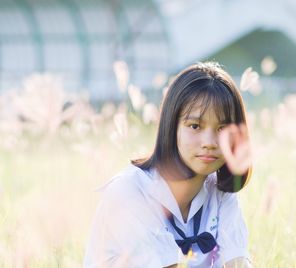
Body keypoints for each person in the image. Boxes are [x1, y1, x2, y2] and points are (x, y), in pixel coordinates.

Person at [84, 62, 253, 268]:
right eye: (195, 126)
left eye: (222, 128)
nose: (209, 142)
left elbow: (238, 264)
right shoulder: (129, 191)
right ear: (171, 126)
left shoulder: (220, 193)